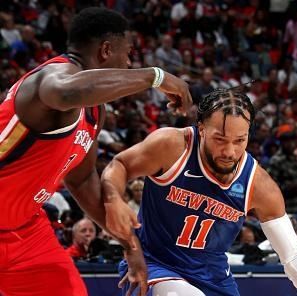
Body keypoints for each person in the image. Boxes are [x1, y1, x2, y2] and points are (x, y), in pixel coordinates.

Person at [0, 7, 192, 296]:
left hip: (24, 228)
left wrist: (129, 243)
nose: (129, 62)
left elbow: (80, 180)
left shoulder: (93, 111)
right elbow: (65, 92)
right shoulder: (53, 76)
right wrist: (156, 76)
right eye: (127, 54)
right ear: (105, 51)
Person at [102, 89, 297, 296]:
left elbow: (293, 254)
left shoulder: (259, 184)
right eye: (220, 139)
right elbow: (119, 166)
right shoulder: (172, 147)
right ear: (201, 129)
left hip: (213, 279)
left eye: (239, 140)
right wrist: (114, 199)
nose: (229, 151)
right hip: (153, 264)